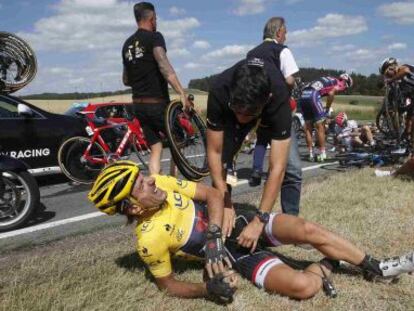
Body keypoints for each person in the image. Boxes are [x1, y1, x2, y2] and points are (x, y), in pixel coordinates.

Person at [88, 160, 414, 302]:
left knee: (305, 228)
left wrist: (214, 236)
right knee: (301, 287)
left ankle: (374, 267)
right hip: (237, 255)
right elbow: (168, 286)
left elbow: (213, 195)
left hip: (241, 224)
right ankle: (327, 264)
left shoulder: (162, 183)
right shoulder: (148, 240)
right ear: (132, 207)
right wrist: (207, 289)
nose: (149, 180)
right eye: (140, 185)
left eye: (142, 175)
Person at [122, 2, 191, 175]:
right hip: (158, 104)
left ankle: (156, 184)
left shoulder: (127, 45)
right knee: (178, 141)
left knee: (156, 147)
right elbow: (163, 65)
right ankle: (173, 183)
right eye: (156, 18)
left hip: (138, 105)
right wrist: (181, 92)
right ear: (151, 19)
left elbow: (125, 80)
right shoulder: (155, 37)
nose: (156, 22)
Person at [247, 18, 302, 218]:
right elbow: (290, 79)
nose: (285, 36)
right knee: (292, 169)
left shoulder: (251, 54)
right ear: (278, 33)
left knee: (261, 141)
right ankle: (290, 219)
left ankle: (255, 173)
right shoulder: (282, 50)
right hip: (280, 112)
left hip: (260, 111)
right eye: (285, 32)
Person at [298, 74, 353, 162]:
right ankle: (323, 153)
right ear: (346, 82)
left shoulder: (329, 78)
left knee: (308, 128)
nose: (344, 90)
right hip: (313, 95)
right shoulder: (340, 83)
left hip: (303, 95)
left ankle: (310, 154)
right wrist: (327, 107)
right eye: (346, 88)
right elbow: (331, 94)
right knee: (321, 126)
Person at [379, 57, 414, 154]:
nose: (387, 76)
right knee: (410, 119)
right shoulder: (403, 83)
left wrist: (390, 81)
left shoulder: (404, 68)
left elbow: (405, 71)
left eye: (387, 73)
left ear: (391, 67)